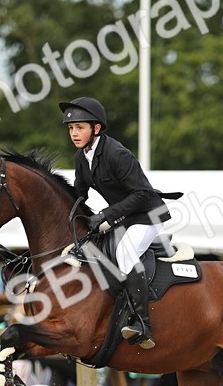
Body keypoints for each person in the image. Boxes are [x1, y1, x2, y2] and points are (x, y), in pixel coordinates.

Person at [60, 96, 181, 349]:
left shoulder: (117, 154)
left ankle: (142, 323)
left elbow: (142, 194)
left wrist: (107, 214)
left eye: (79, 127)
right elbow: (78, 194)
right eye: (71, 128)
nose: (74, 133)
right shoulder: (82, 157)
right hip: (124, 217)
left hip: (148, 215)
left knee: (125, 253)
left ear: (96, 128)